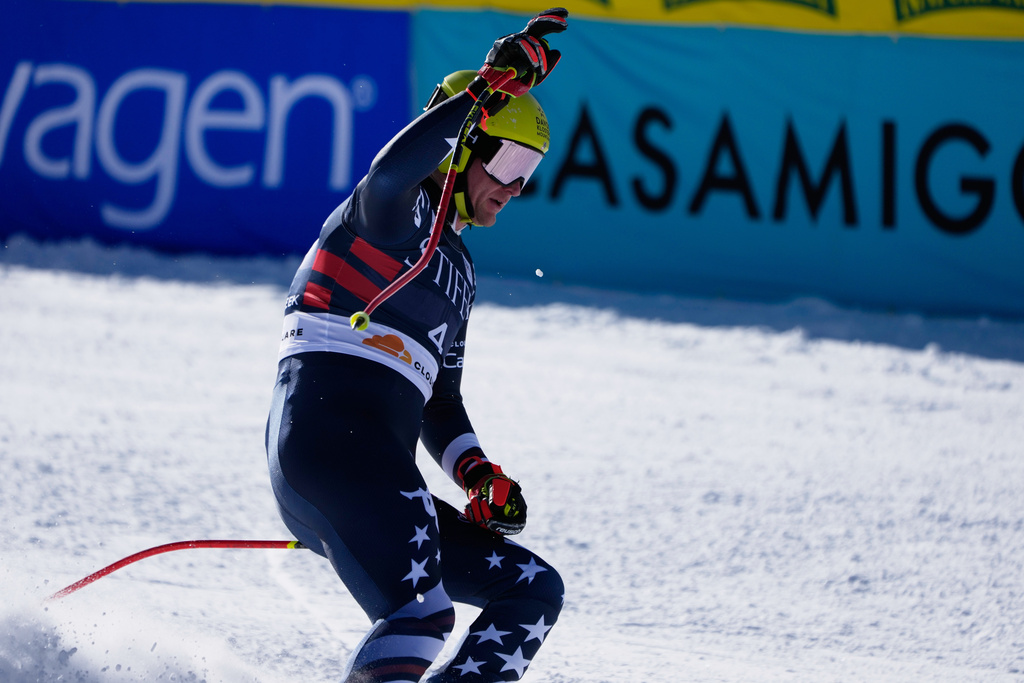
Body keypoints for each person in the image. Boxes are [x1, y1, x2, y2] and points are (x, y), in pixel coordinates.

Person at [265, 9, 569, 683]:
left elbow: (440, 401)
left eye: (531, 168)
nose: (517, 186)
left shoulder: (458, 268)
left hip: (379, 471)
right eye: (511, 160)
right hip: (329, 451)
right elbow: (390, 171)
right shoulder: (395, 216)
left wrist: (476, 475)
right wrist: (484, 91)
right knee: (420, 613)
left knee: (532, 593)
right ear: (463, 145)